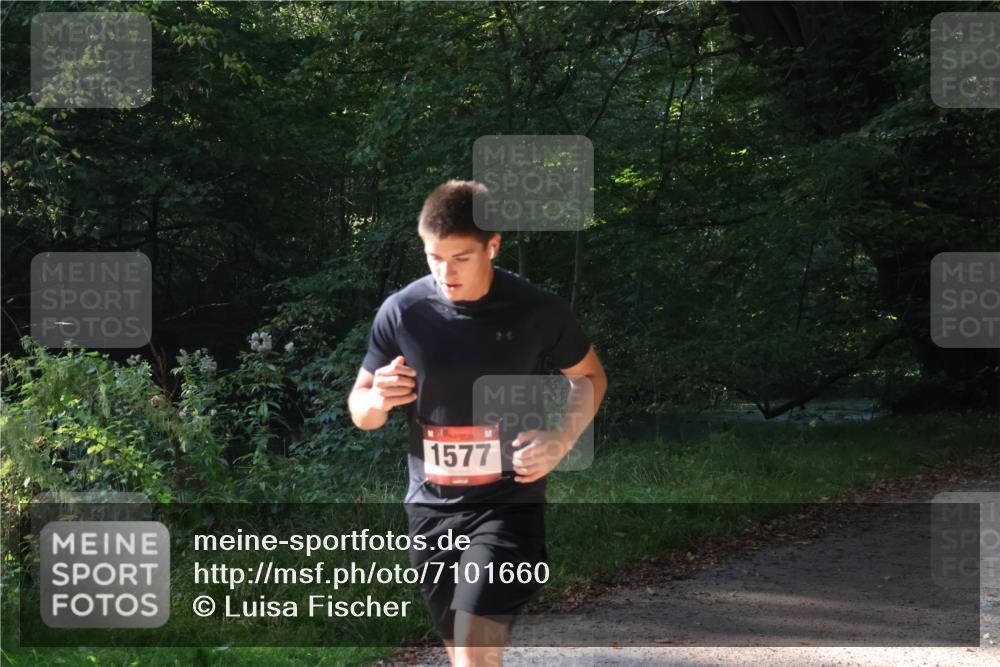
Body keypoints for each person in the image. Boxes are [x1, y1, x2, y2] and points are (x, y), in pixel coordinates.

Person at [348, 179, 607, 666]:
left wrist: (560, 439)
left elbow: (589, 376)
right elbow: (361, 412)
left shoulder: (536, 309)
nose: (445, 271)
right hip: (430, 511)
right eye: (433, 256)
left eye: (461, 257)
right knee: (463, 654)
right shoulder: (403, 312)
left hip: (508, 507)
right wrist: (377, 399)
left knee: (472, 649)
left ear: (493, 245)